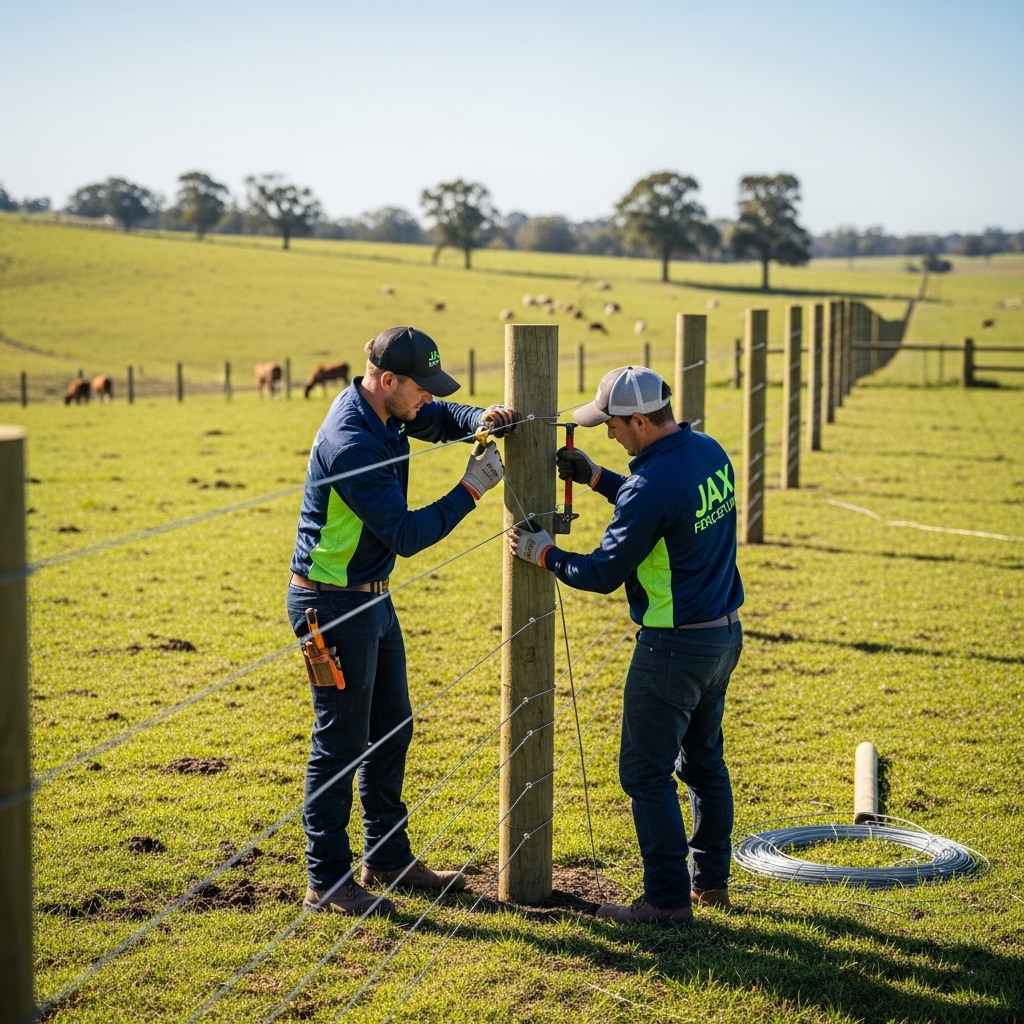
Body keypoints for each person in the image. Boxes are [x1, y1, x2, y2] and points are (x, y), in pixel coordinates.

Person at [288, 325, 517, 918]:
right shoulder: (352, 443)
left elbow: (436, 416)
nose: (426, 398)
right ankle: (327, 880)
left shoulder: (386, 411)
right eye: (420, 387)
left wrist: (478, 419)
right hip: (332, 605)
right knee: (338, 744)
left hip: (370, 598)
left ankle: (387, 857)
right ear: (388, 380)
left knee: (394, 727)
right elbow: (409, 535)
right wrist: (472, 488)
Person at [510, 365, 743, 923]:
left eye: (612, 425)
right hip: (723, 636)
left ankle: (665, 900)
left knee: (644, 772)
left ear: (640, 420)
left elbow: (604, 571)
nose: (608, 434)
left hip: (671, 647)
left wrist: (543, 553)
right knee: (705, 762)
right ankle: (710, 883)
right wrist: (596, 478)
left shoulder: (651, 485)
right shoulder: (709, 452)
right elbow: (662, 507)